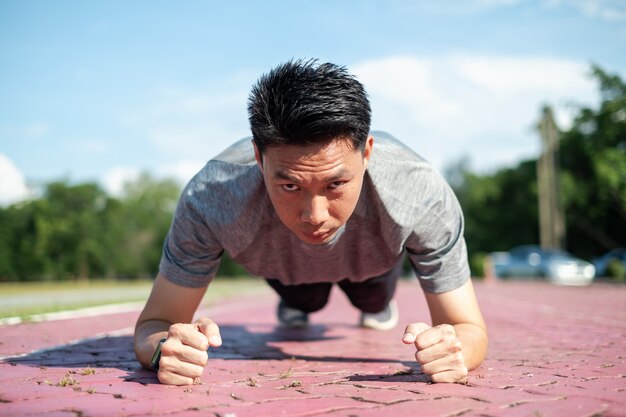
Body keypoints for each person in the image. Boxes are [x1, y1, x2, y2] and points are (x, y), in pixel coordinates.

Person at [134, 59, 488, 386]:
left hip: (373, 267)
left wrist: (455, 350)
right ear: (259, 157)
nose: (314, 216)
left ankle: (376, 302)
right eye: (290, 186)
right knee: (305, 300)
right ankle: (298, 302)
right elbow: (154, 324)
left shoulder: (419, 189)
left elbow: (467, 328)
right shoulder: (211, 197)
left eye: (335, 184)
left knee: (372, 297)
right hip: (287, 272)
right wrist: (166, 347)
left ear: (367, 153)